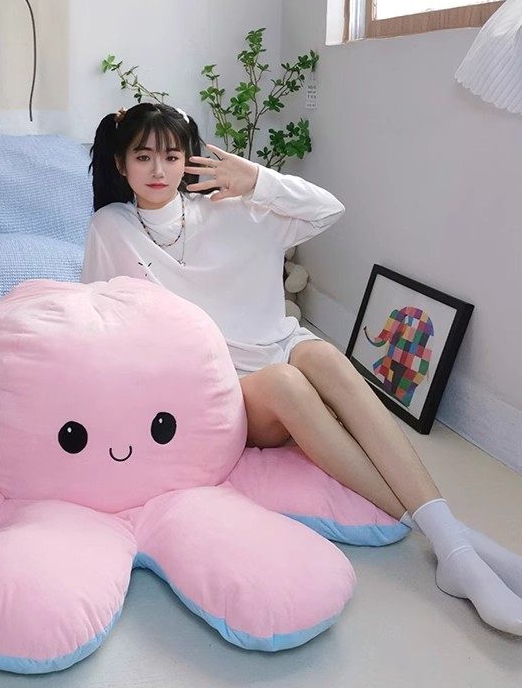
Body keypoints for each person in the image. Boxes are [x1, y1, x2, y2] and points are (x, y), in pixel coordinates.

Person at [81, 101, 522, 636]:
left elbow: (328, 210)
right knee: (287, 383)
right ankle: (456, 543)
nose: (158, 169)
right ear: (121, 163)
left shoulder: (232, 207)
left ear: (189, 159)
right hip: (224, 384)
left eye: (171, 156)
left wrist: (257, 180)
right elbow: (100, 313)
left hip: (279, 344)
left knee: (325, 356)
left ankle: (455, 544)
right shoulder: (112, 227)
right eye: (143, 156)